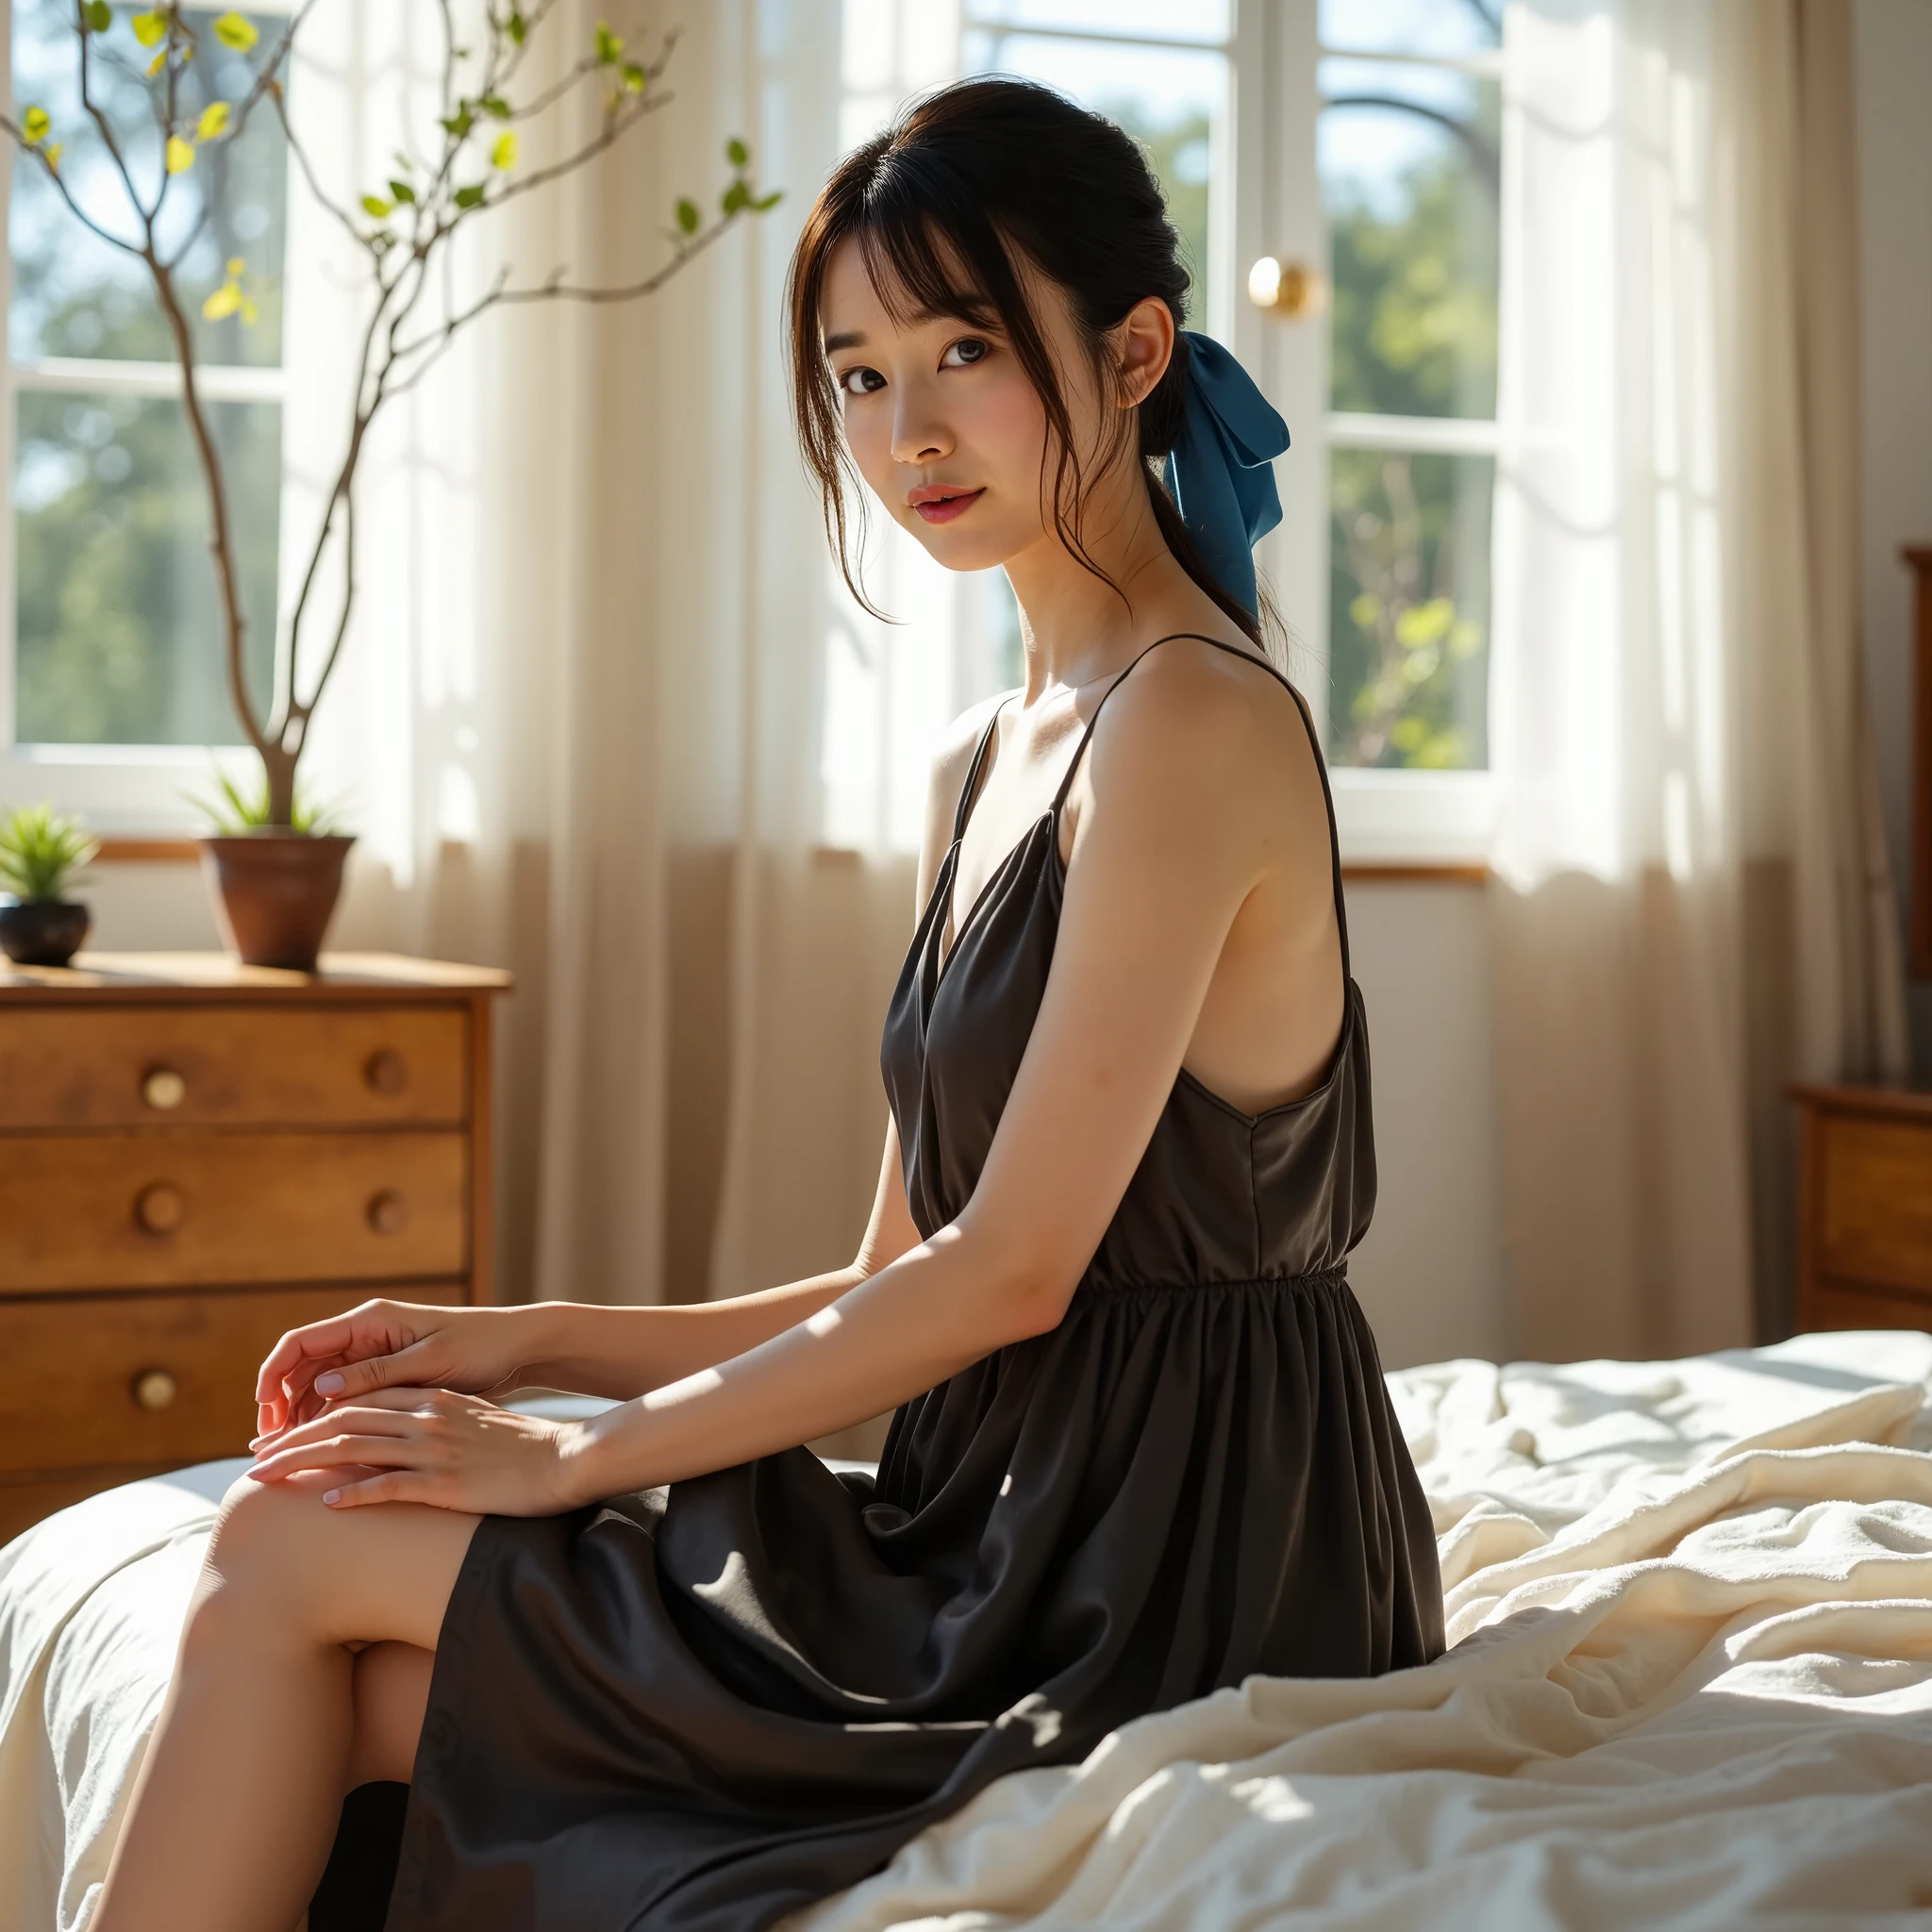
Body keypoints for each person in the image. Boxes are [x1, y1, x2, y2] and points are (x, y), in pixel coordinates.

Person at [92, 75, 1443, 1932]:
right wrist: (517, 1341)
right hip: (989, 1519)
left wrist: (566, 1454)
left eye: (964, 347)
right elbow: (891, 1269)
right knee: (354, 1692)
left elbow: (1012, 1276)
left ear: (1135, 350)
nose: (906, 432)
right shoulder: (986, 759)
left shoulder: (1193, 720)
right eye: (859, 373)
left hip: (1175, 1561)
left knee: (283, 1548)